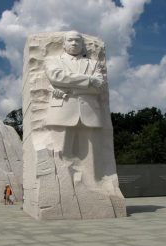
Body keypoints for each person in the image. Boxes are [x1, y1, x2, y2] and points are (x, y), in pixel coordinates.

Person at [44, 31, 107, 187]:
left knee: (91, 155)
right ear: (64, 44)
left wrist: (70, 88)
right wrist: (89, 80)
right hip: (62, 111)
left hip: (90, 112)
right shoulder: (52, 60)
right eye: (70, 40)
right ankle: (61, 186)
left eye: (77, 41)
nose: (74, 43)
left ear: (82, 45)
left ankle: (93, 184)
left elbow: (99, 88)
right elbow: (56, 77)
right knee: (59, 152)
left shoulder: (93, 64)